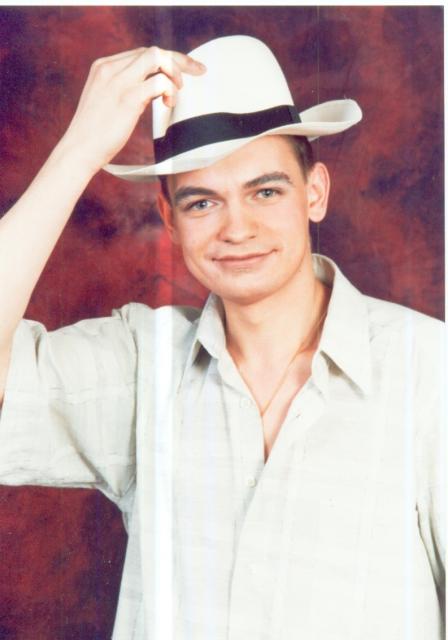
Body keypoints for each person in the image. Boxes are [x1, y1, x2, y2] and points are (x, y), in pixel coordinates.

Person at [0, 34, 444, 639]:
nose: (238, 228)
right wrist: (78, 151)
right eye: (202, 203)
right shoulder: (143, 367)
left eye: (266, 191)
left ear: (314, 193)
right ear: (170, 220)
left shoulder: (429, 371)